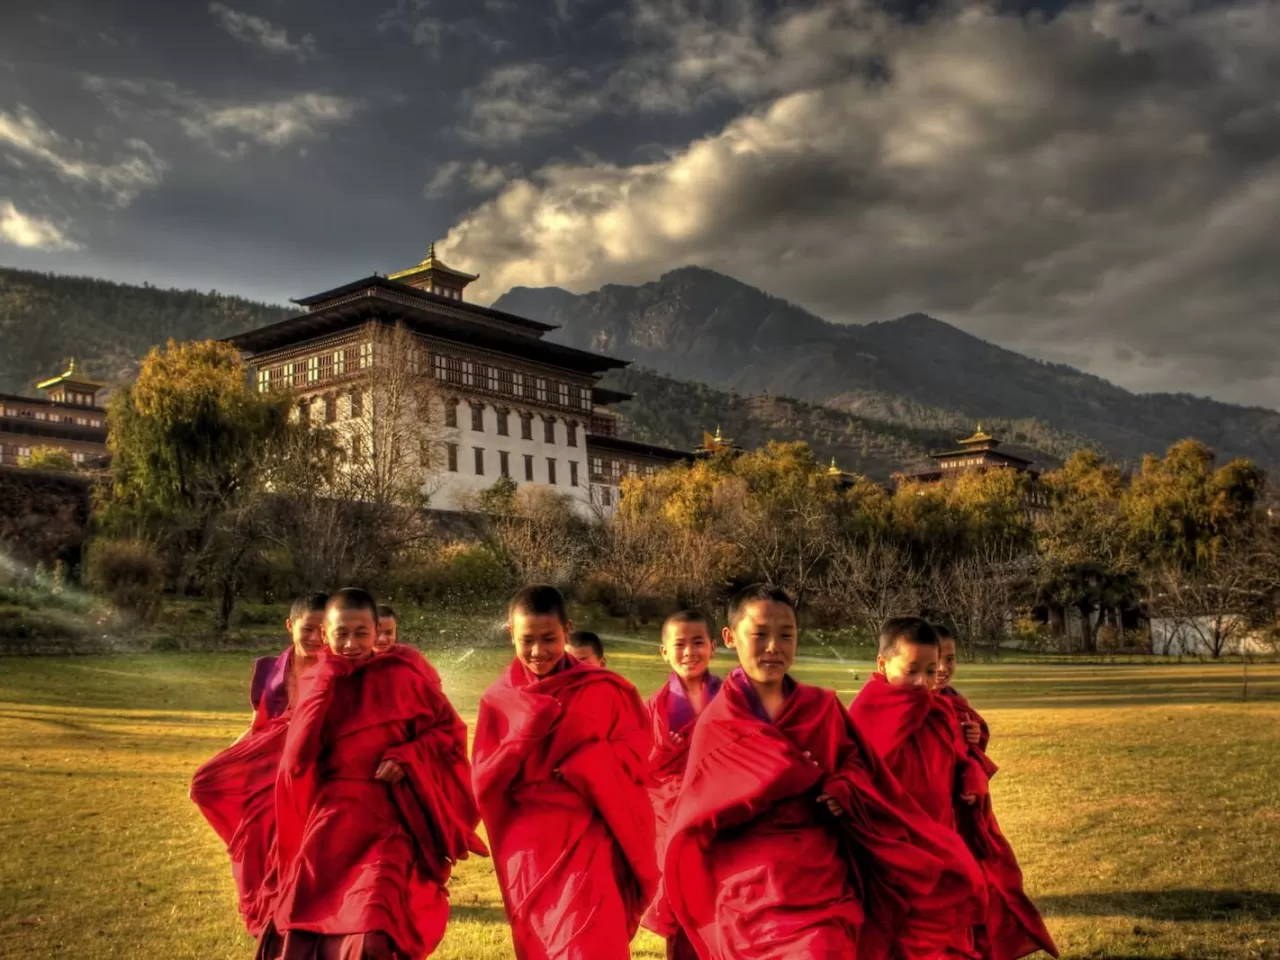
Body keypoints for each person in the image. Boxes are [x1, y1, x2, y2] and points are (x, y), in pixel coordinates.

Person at [663, 586, 984, 960]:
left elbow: (861, 766)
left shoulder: (822, 707)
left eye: (786, 635)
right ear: (730, 638)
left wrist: (844, 787)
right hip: (750, 886)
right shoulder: (718, 723)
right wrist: (784, 774)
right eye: (760, 634)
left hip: (821, 878)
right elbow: (699, 815)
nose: (773, 647)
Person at [261, 588, 487, 959]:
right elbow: (297, 760)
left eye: (362, 633)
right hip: (333, 819)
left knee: (375, 921)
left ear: (376, 631)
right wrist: (326, 683)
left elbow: (449, 732)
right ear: (325, 634)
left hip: (389, 821)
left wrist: (408, 756)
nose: (351, 643)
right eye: (342, 633)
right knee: (303, 917)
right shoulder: (316, 680)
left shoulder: (402, 676)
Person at [472, 585, 658, 960]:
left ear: (567, 631)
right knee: (542, 944)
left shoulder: (605, 689)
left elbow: (638, 753)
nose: (538, 651)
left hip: (587, 833)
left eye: (549, 639)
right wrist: (523, 734)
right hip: (528, 847)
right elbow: (484, 777)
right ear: (510, 633)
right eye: (527, 640)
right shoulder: (499, 699)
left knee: (590, 944)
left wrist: (590, 764)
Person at [848, 616, 991, 957]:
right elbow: (851, 772)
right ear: (882, 664)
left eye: (930, 671)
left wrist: (971, 777)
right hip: (896, 853)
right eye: (911, 670)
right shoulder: (868, 711)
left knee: (949, 935)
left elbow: (959, 761)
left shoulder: (940, 709)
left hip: (942, 837)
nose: (922, 682)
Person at [934, 626, 1059, 960]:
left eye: (951, 659)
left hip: (962, 813)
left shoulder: (954, 700)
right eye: (937, 660)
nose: (944, 668)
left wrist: (974, 736)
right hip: (932, 816)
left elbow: (969, 753)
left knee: (986, 880)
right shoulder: (909, 701)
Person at [643, 610, 721, 960]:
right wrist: (662, 752)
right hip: (671, 816)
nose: (689, 651)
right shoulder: (653, 708)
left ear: (713, 647)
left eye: (698, 642)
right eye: (679, 644)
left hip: (720, 812)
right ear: (663, 651)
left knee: (722, 901)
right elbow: (638, 769)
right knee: (680, 897)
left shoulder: (731, 696)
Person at [250, 593, 328, 726]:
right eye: (307, 629)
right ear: (290, 626)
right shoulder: (268, 670)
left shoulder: (340, 674)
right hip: (270, 744)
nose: (315, 638)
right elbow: (257, 727)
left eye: (323, 631)